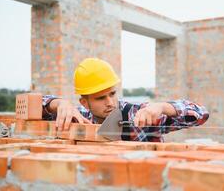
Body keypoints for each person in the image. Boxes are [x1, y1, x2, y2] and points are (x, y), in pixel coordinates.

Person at [42, 58, 209, 142]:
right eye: (100, 98)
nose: (110, 102)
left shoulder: (139, 114)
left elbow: (201, 114)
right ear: (84, 103)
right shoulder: (78, 117)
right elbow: (36, 107)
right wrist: (58, 104)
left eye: (112, 94)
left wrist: (163, 107)